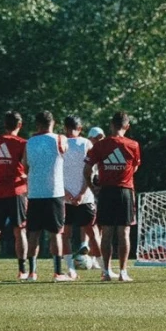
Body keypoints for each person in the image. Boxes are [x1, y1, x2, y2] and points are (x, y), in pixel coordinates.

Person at [85, 111, 141, 282]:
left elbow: (87, 170)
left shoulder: (100, 146)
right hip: (125, 191)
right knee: (124, 232)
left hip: (106, 191)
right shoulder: (133, 145)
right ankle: (123, 272)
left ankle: (107, 271)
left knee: (107, 232)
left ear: (111, 125)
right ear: (127, 126)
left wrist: (92, 187)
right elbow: (135, 167)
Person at [0, 111, 29, 281]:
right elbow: (28, 167)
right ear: (20, 125)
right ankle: (23, 270)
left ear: (4, 124)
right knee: (20, 231)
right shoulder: (22, 143)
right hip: (17, 192)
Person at [23, 111, 68, 282]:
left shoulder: (30, 142)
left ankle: (32, 273)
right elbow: (64, 151)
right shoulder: (59, 139)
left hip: (34, 192)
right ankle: (58, 272)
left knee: (33, 233)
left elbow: (25, 167)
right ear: (53, 122)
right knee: (56, 233)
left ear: (37, 124)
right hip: (54, 192)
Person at [61, 115, 99, 279]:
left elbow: (55, 172)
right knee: (92, 233)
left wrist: (66, 193)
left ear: (64, 128)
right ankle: (105, 269)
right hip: (86, 197)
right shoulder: (86, 143)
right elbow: (91, 171)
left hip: (64, 197)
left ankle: (70, 269)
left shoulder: (59, 143)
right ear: (81, 129)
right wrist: (83, 192)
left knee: (65, 234)